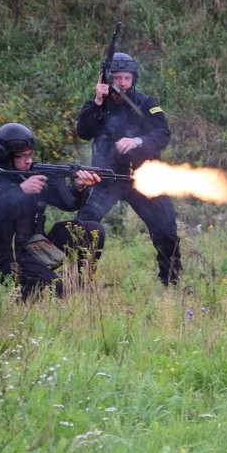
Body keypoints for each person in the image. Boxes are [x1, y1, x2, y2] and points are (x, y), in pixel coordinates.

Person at [76, 52, 181, 286]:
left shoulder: (146, 104)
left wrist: (137, 142)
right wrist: (97, 102)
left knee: (166, 228)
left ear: (134, 78)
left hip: (142, 178)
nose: (122, 83)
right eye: (117, 78)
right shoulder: (97, 105)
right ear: (107, 79)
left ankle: (171, 281)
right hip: (107, 179)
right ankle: (79, 280)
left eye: (127, 78)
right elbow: (83, 132)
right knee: (85, 224)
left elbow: (162, 134)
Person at [0, 123, 105, 300]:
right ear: (5, 155)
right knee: (58, 290)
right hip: (5, 257)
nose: (28, 161)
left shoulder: (34, 172)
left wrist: (78, 188)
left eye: (30, 155)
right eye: (21, 157)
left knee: (93, 231)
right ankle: (31, 288)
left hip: (35, 248)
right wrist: (20, 191)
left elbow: (67, 202)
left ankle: (80, 282)